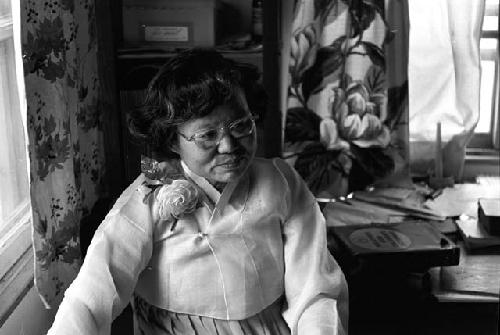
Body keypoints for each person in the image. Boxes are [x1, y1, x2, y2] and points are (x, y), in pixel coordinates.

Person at [47, 48, 348, 335]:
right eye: (207, 135)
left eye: (241, 125)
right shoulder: (151, 192)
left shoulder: (280, 181)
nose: (229, 146)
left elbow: (314, 287)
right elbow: (91, 293)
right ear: (173, 141)